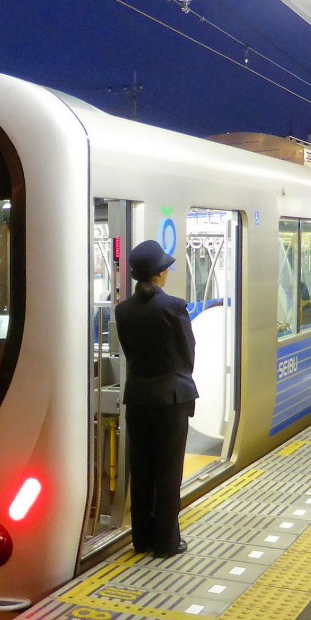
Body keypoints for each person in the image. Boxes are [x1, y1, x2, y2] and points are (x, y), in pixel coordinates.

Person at [114, 239, 198, 558]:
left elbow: (132, 353)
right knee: (168, 471)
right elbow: (187, 353)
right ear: (160, 274)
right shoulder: (174, 307)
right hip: (171, 399)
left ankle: (142, 539)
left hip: (137, 398)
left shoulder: (123, 311)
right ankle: (166, 542)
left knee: (143, 467)